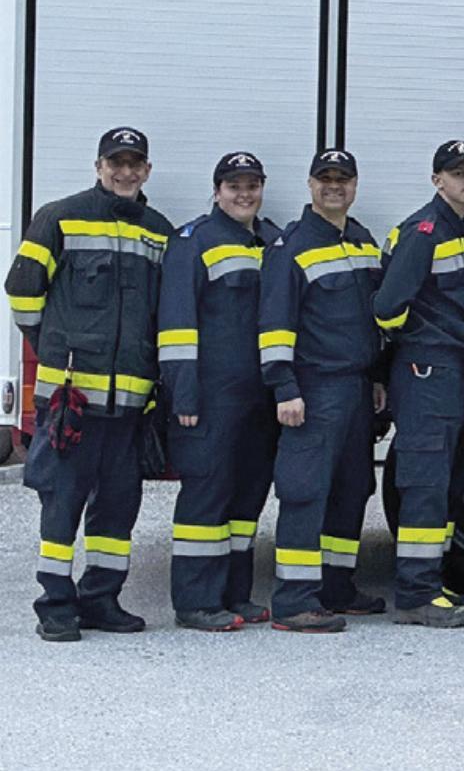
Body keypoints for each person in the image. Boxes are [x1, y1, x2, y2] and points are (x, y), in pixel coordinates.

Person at [6, 127, 172, 642]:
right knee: (61, 502)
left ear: (146, 170)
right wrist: (53, 344)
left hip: (128, 406)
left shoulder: (158, 231)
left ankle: (101, 599)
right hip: (69, 399)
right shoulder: (59, 216)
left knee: (119, 506)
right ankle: (55, 605)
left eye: (134, 164)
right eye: (115, 163)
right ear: (98, 167)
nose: (125, 172)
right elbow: (22, 291)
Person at [259, 149, 387, 633]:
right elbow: (274, 325)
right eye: (325, 179)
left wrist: (376, 376)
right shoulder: (290, 245)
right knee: (305, 491)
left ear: (355, 185)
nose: (335, 187)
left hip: (355, 387)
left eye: (344, 179)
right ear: (310, 185)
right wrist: (283, 387)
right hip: (312, 388)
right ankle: (294, 600)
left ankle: (337, 586)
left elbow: (372, 320)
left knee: (354, 488)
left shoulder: (362, 240)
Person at [159, 152, 283, 631]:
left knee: (247, 498)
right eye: (234, 186)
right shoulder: (195, 242)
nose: (244, 194)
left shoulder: (270, 240)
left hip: (259, 396)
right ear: (217, 191)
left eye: (252, 185)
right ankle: (195, 602)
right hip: (211, 396)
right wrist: (183, 396)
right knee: (206, 500)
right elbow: (176, 326)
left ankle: (235, 594)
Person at [373, 139, 464, 628]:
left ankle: (431, 583)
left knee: (443, 482)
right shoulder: (425, 231)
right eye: (458, 173)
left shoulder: (458, 229)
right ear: (437, 180)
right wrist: (421, 341)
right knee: (424, 482)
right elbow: (386, 307)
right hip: (427, 370)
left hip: (448, 370)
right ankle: (416, 596)